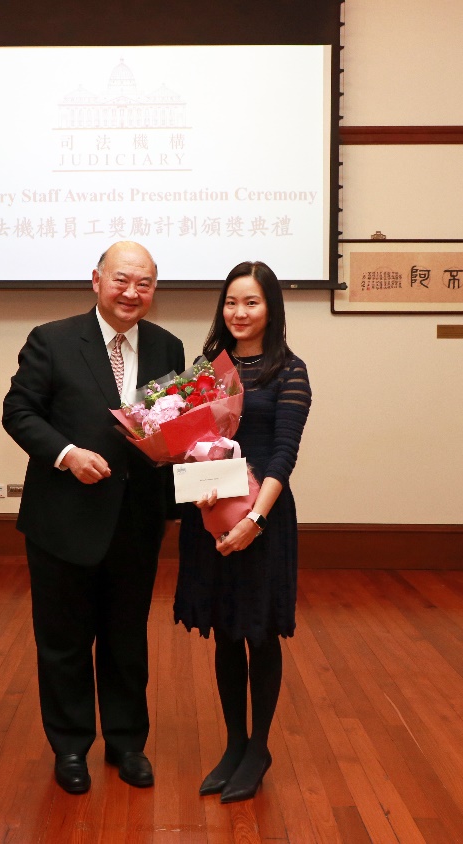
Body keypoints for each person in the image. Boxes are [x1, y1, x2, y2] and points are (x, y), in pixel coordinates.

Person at [2, 241, 186, 794]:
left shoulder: (167, 347)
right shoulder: (52, 340)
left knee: (127, 637)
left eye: (145, 284)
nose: (133, 293)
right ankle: (71, 747)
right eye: (122, 280)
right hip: (63, 518)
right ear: (96, 280)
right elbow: (19, 412)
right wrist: (67, 455)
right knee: (62, 639)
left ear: (154, 289)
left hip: (136, 521)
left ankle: (128, 744)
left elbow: (173, 428)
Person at [174, 260, 312, 803]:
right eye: (231, 302)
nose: (239, 312)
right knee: (227, 629)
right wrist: (195, 477)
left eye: (251, 302)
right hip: (211, 514)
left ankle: (259, 747)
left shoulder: (289, 370)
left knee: (259, 632)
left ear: (270, 308)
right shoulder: (208, 365)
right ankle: (233, 743)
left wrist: (256, 520)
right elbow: (187, 440)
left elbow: (284, 454)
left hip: (263, 517)